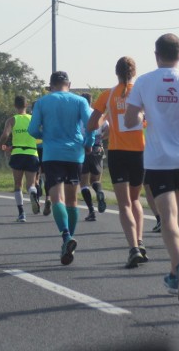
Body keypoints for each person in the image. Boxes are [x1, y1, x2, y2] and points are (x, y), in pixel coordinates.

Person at [124, 34, 179, 304]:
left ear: (156, 54)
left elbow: (130, 119)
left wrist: (144, 116)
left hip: (159, 158)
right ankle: (175, 272)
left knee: (168, 217)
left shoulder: (144, 81)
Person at [88, 56, 148, 268]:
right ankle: (140, 243)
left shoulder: (108, 94)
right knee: (135, 201)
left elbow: (92, 124)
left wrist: (107, 119)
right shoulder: (142, 92)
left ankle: (133, 248)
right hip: (139, 153)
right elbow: (149, 119)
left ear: (116, 72)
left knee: (124, 204)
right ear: (134, 72)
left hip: (118, 153)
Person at [28, 71, 92, 265]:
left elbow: (32, 130)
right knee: (73, 200)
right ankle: (69, 239)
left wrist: (46, 133)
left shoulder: (42, 102)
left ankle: (65, 237)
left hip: (52, 154)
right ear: (69, 84)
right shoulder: (80, 101)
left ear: (51, 85)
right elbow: (92, 125)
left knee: (57, 198)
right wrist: (89, 142)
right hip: (75, 154)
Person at [0, 95, 41, 222]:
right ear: (26, 105)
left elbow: (5, 134)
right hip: (32, 153)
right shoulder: (33, 119)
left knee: (17, 184)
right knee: (31, 184)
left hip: (17, 153)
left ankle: (22, 213)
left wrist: (2, 146)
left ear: (15, 106)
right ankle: (33, 192)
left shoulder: (12, 120)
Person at [79, 92, 105, 222]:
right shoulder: (97, 113)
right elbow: (108, 128)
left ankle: (91, 211)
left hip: (82, 148)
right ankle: (99, 192)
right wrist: (100, 138)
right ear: (91, 101)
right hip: (97, 147)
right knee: (95, 179)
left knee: (83, 182)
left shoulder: (78, 114)